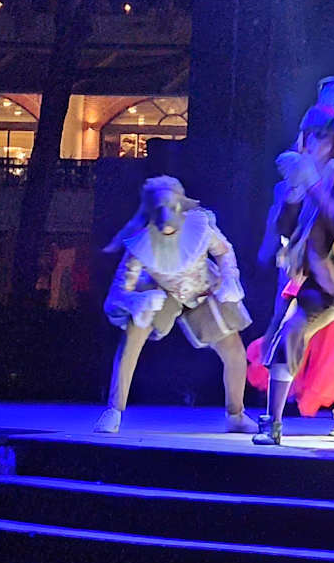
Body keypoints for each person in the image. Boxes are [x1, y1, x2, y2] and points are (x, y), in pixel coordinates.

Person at [253, 106, 334, 447]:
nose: (310, 145)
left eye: (317, 138)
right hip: (321, 279)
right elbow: (286, 230)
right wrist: (292, 195)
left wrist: (312, 184)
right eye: (307, 138)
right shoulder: (309, 175)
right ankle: (272, 423)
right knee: (289, 334)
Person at [95, 176, 256, 435]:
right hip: (162, 293)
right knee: (135, 332)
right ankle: (114, 410)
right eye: (159, 208)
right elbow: (117, 293)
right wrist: (138, 301)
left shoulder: (200, 228)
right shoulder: (141, 245)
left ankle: (235, 414)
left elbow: (224, 251)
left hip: (201, 289)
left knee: (234, 349)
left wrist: (229, 277)